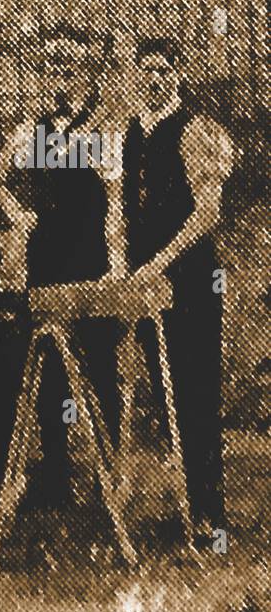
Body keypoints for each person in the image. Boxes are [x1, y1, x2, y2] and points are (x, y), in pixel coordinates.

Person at [0, 24, 122, 517]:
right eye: (52, 62)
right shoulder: (33, 127)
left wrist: (115, 262)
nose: (60, 70)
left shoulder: (100, 126)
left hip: (90, 258)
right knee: (47, 369)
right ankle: (53, 475)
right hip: (46, 260)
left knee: (100, 366)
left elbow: (113, 201)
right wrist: (17, 214)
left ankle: (107, 479)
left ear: (83, 68)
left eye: (68, 62)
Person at [119, 36, 233, 542]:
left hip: (190, 284)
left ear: (178, 76)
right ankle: (184, 510)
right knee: (165, 401)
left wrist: (159, 264)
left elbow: (206, 215)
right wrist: (125, 268)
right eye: (145, 70)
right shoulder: (131, 135)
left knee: (196, 394)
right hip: (149, 289)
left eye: (164, 69)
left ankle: (211, 515)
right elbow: (126, 214)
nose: (154, 78)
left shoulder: (197, 130)